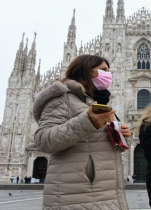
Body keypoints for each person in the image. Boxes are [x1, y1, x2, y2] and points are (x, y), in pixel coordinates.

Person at [33, 55, 131, 210]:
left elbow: (96, 143)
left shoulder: (98, 101)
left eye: (109, 71)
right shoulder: (63, 98)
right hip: (75, 194)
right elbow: (43, 140)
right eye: (103, 70)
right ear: (86, 71)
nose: (108, 74)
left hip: (106, 191)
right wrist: (87, 122)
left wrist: (122, 136)